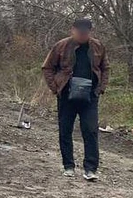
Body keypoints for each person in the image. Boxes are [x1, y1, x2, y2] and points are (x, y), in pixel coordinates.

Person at [42, 17, 110, 182]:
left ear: (90, 32)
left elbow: (105, 67)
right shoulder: (61, 46)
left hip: (90, 96)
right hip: (66, 95)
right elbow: (47, 67)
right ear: (72, 30)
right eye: (79, 33)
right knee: (65, 130)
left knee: (91, 130)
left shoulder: (98, 46)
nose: (82, 36)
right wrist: (55, 87)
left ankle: (90, 169)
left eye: (85, 33)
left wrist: (100, 88)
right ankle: (68, 166)